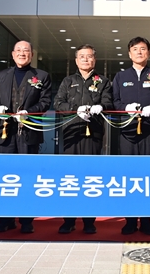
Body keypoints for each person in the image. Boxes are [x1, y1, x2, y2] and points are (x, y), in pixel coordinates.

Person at [0, 40, 52, 234]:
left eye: (26, 50)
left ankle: (26, 221)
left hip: (29, 133)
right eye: (18, 50)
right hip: (6, 133)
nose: (22, 53)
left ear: (32, 54)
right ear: (12, 54)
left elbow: (45, 101)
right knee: (6, 177)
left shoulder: (42, 76)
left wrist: (29, 112)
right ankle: (5, 219)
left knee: (27, 177)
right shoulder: (2, 75)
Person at [54, 44, 113, 235]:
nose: (86, 59)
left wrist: (101, 107)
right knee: (70, 176)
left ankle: (89, 221)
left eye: (89, 56)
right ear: (76, 60)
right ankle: (68, 220)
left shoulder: (103, 81)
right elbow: (58, 103)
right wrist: (74, 109)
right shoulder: (68, 81)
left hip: (93, 133)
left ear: (94, 59)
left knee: (90, 176)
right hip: (71, 133)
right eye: (82, 56)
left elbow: (109, 102)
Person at [113, 37, 150, 236]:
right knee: (129, 174)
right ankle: (129, 220)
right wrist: (125, 107)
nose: (139, 52)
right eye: (135, 49)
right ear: (129, 54)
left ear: (149, 53)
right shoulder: (120, 76)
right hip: (127, 132)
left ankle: (146, 220)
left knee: (148, 174)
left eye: (143, 49)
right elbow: (114, 101)